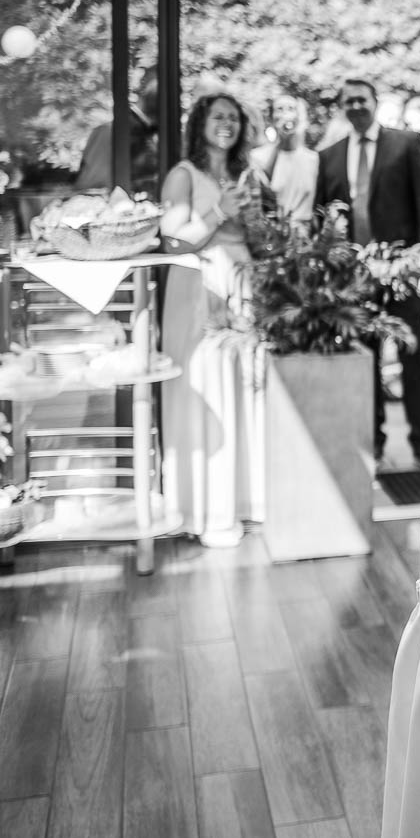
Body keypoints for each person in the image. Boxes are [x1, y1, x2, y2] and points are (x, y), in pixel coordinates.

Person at [159, 92, 269, 547]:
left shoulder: (248, 175)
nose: (226, 124)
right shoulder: (182, 176)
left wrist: (254, 217)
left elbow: (258, 236)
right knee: (206, 387)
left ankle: (249, 503)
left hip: (244, 283)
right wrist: (220, 208)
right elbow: (172, 240)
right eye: (217, 116)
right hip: (198, 286)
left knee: (245, 387)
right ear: (199, 123)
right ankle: (207, 509)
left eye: (233, 118)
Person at [315, 78, 420, 467]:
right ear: (342, 107)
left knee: (413, 356)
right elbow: (325, 218)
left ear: (375, 102)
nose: (356, 106)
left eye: (362, 100)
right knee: (365, 360)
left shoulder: (405, 143)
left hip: (403, 273)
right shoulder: (330, 156)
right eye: (348, 101)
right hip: (355, 278)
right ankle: (375, 441)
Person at [251, 93, 318, 222]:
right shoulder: (257, 157)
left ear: (299, 117)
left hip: (304, 235)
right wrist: (281, 141)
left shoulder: (313, 159)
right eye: (279, 109)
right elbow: (265, 188)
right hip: (272, 232)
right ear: (271, 119)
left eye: (291, 109)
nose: (285, 113)